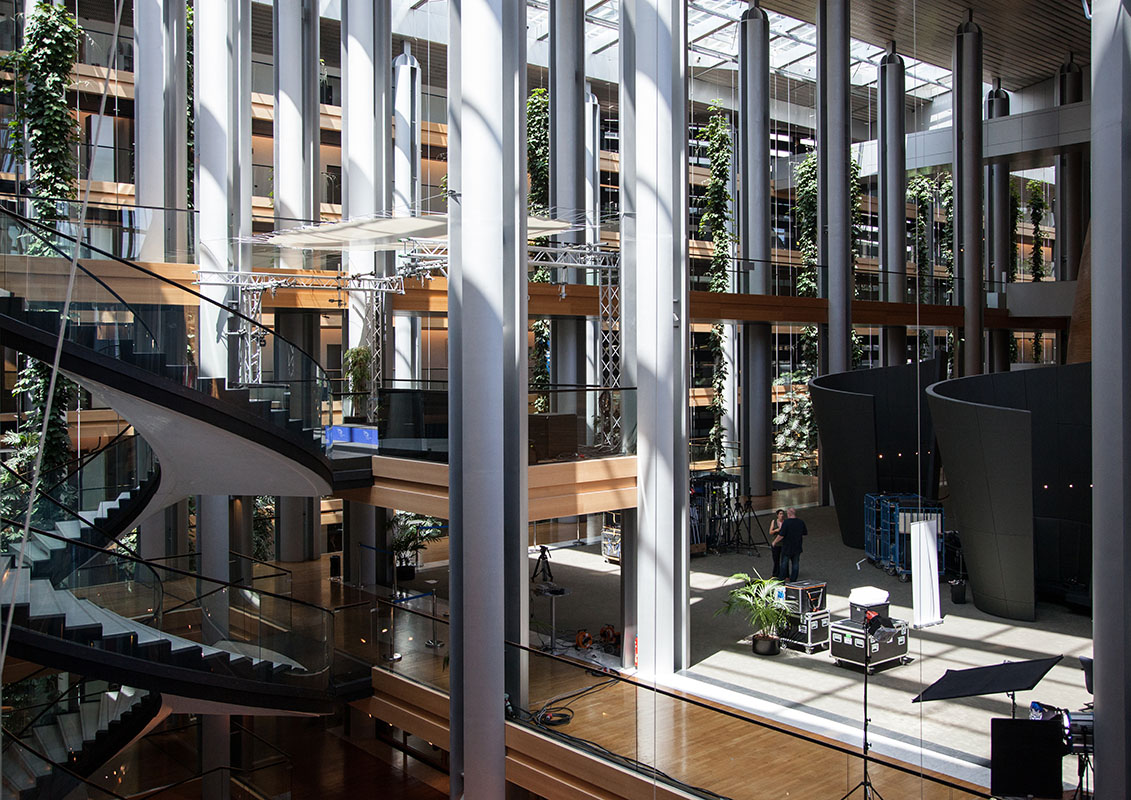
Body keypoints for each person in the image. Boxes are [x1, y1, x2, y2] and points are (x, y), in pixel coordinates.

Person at [773, 507, 807, 582]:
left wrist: (774, 542)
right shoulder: (800, 522)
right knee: (795, 564)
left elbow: (781, 535)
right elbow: (804, 532)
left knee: (784, 563)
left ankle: (781, 578)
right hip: (797, 546)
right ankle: (793, 579)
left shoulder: (786, 523)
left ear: (788, 514)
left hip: (787, 546)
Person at [768, 509, 785, 579]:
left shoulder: (785, 522)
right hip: (776, 543)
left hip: (784, 543)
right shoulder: (774, 521)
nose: (782, 515)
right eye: (780, 514)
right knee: (776, 559)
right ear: (777, 515)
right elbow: (770, 532)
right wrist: (776, 530)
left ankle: (785, 574)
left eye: (782, 514)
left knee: (784, 560)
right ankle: (775, 573)